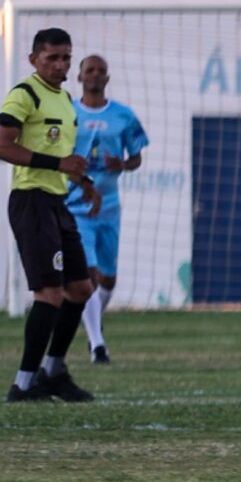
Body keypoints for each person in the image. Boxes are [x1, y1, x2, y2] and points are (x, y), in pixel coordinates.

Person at [0, 27, 98, 402]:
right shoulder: (25, 94)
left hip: (57, 202)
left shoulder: (66, 101)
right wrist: (59, 163)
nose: (60, 64)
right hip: (30, 201)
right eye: (52, 57)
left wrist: (81, 179)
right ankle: (23, 385)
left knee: (81, 288)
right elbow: (2, 147)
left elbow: (62, 160)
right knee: (49, 293)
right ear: (34, 58)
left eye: (66, 57)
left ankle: (53, 371)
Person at [67, 52, 147, 366]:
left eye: (101, 70)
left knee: (108, 279)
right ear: (80, 76)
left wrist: (123, 164)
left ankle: (93, 321)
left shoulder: (123, 115)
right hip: (77, 205)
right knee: (87, 275)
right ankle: (97, 345)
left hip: (110, 206)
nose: (95, 75)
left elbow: (137, 157)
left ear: (107, 78)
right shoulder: (69, 113)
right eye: (90, 70)